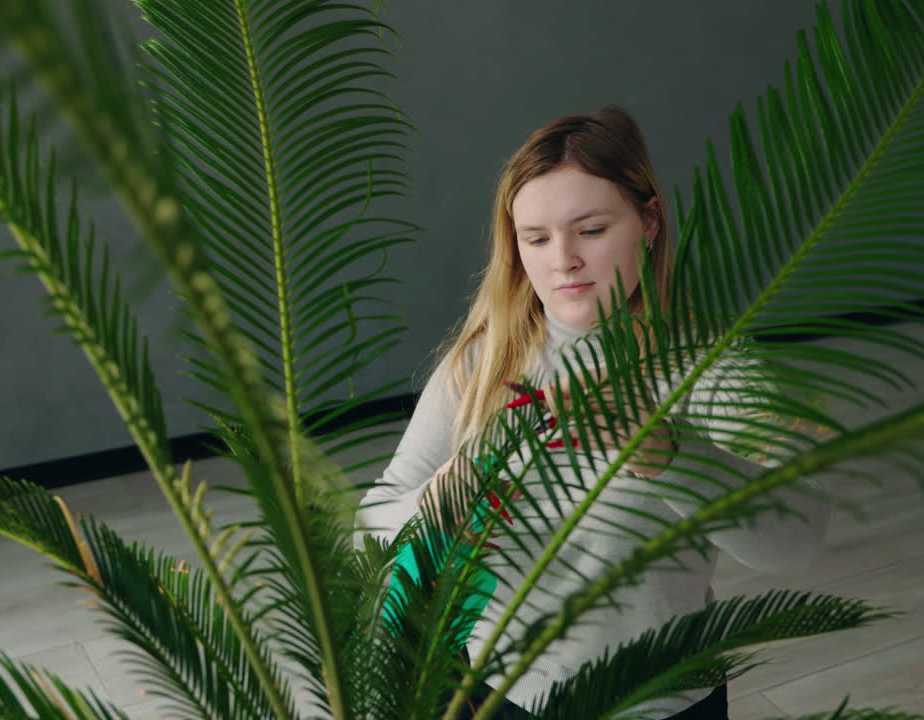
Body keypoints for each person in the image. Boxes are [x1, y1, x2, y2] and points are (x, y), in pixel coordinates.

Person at [356, 106, 832, 719]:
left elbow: (796, 542)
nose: (563, 261)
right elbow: (368, 522)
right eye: (537, 238)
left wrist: (670, 457)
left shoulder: (709, 367)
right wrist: (439, 501)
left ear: (649, 220)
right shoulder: (480, 363)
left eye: (592, 230)